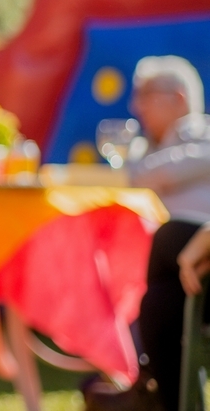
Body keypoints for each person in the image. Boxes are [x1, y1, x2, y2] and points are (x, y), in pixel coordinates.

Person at [87, 55, 209, 411]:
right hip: (185, 276)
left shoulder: (201, 135)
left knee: (169, 236)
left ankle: (147, 391)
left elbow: (148, 174)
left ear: (180, 99)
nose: (137, 105)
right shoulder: (147, 148)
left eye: (147, 95)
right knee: (159, 304)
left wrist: (139, 166)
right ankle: (157, 394)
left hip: (190, 252)